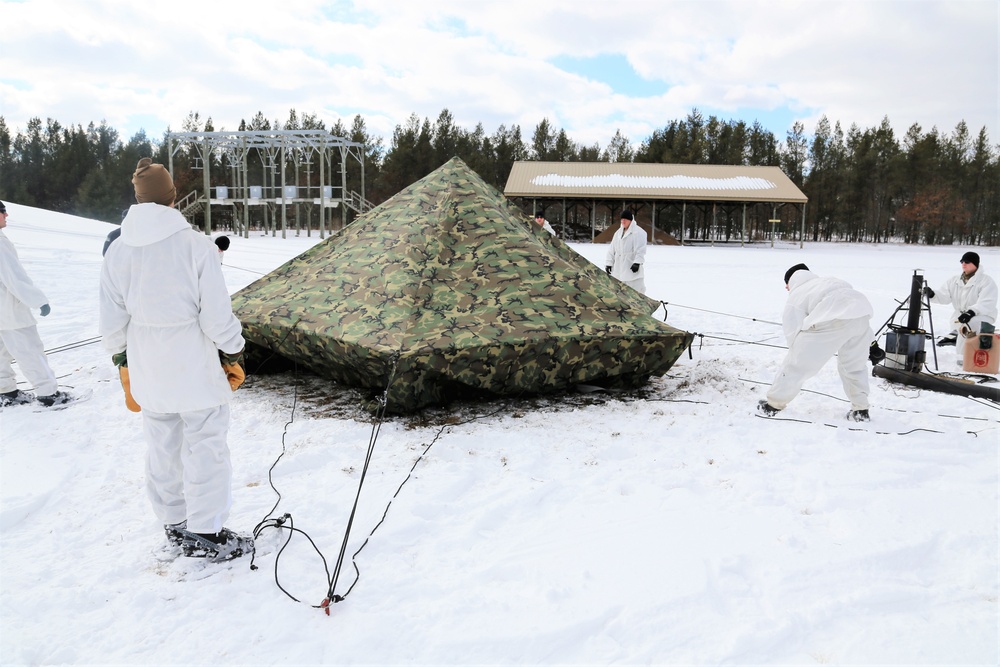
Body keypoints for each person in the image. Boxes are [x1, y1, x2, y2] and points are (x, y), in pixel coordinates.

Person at [100, 158, 253, 562]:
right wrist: (234, 348)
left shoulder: (118, 251)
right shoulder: (195, 245)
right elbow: (217, 317)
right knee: (206, 445)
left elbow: (111, 320)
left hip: (148, 364)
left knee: (162, 444)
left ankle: (174, 521)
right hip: (192, 363)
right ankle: (207, 529)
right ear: (173, 198)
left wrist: (122, 358)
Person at [758, 263, 875, 422]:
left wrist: (796, 351)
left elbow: (792, 328)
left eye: (786, 284)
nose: (786, 288)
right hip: (861, 316)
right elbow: (851, 308)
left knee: (796, 366)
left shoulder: (797, 294)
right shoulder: (830, 281)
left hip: (828, 320)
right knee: (854, 367)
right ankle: (861, 410)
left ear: (790, 281)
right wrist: (872, 343)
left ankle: (773, 405)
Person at [0, 200, 71, 407]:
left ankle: (6, 392)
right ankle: (48, 394)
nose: (7, 215)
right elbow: (15, 278)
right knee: (30, 351)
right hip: (10, 311)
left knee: (2, 353)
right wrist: (39, 301)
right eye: (3, 212)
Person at [923, 251, 997, 365]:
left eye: (967, 262)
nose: (963, 264)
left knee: (968, 327)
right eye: (962, 261)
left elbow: (987, 302)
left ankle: (965, 361)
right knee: (964, 330)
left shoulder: (986, 281)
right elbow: (944, 296)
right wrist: (933, 294)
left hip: (983, 315)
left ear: (975, 264)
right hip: (961, 316)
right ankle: (964, 358)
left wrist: (971, 312)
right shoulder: (954, 280)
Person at [605, 210, 647, 293]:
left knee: (636, 291)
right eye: (622, 219)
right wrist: (609, 263)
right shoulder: (618, 233)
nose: (623, 221)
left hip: (631, 269)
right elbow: (612, 249)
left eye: (625, 219)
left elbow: (641, 249)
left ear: (630, 221)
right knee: (619, 291)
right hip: (618, 269)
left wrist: (637, 262)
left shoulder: (638, 232)